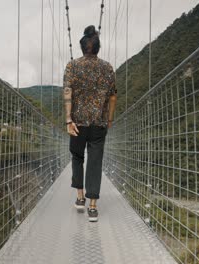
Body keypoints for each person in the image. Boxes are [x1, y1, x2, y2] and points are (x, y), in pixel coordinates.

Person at [63, 25, 117, 222]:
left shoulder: (72, 66)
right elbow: (112, 97)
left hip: (77, 123)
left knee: (77, 157)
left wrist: (69, 119)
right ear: (98, 48)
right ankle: (93, 207)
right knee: (95, 161)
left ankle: (80, 197)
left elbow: (68, 91)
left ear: (82, 47)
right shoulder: (107, 67)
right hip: (98, 124)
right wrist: (109, 119)